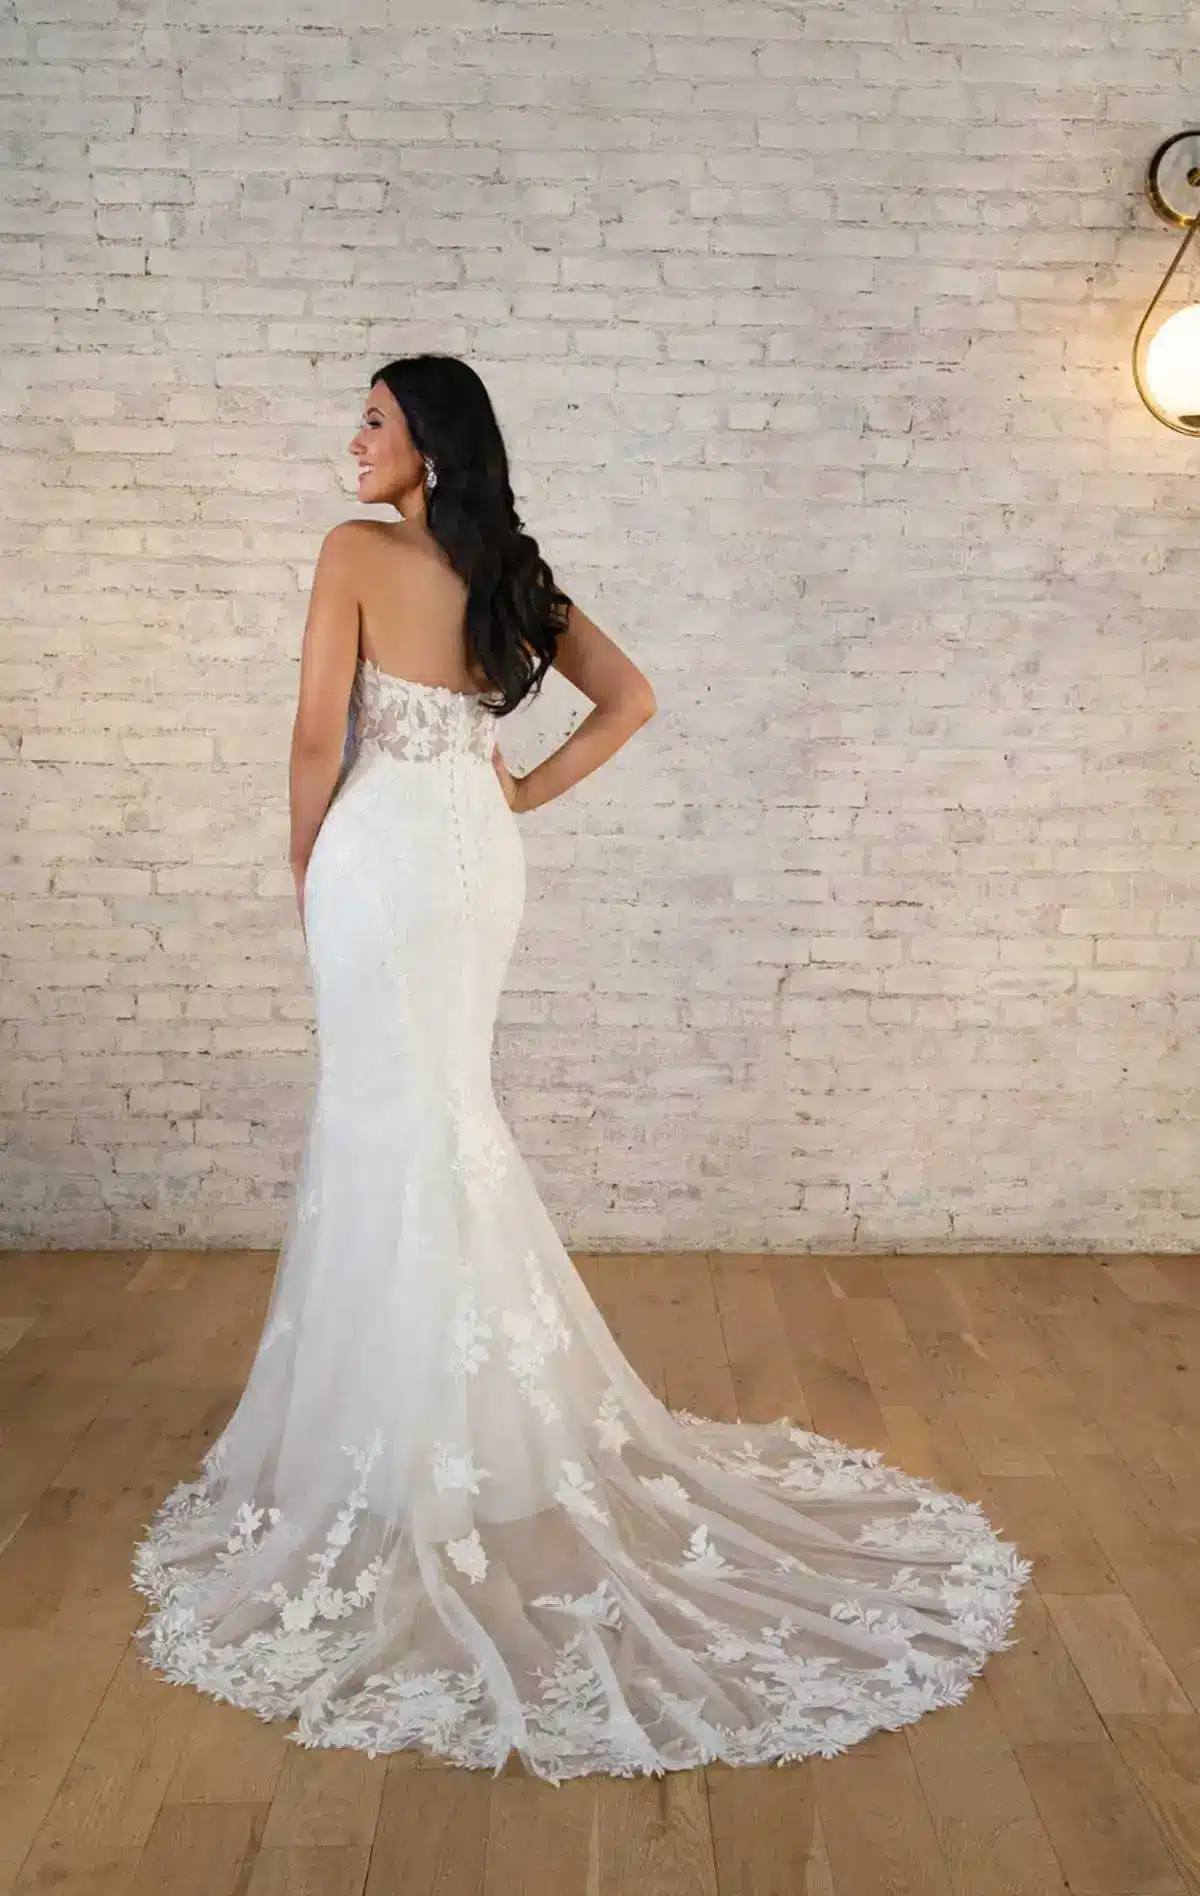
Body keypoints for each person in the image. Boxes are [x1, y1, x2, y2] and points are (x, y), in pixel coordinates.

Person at [131, 353, 1033, 1785]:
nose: (353, 442)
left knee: (386, 1119)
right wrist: (522, 793)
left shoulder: (354, 553)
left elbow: (314, 733)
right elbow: (634, 698)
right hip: (475, 857)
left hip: (380, 855)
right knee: (445, 1116)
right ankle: (470, 1428)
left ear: (430, 444)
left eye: (373, 420)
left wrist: (304, 864)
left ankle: (400, 1436)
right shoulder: (510, 576)